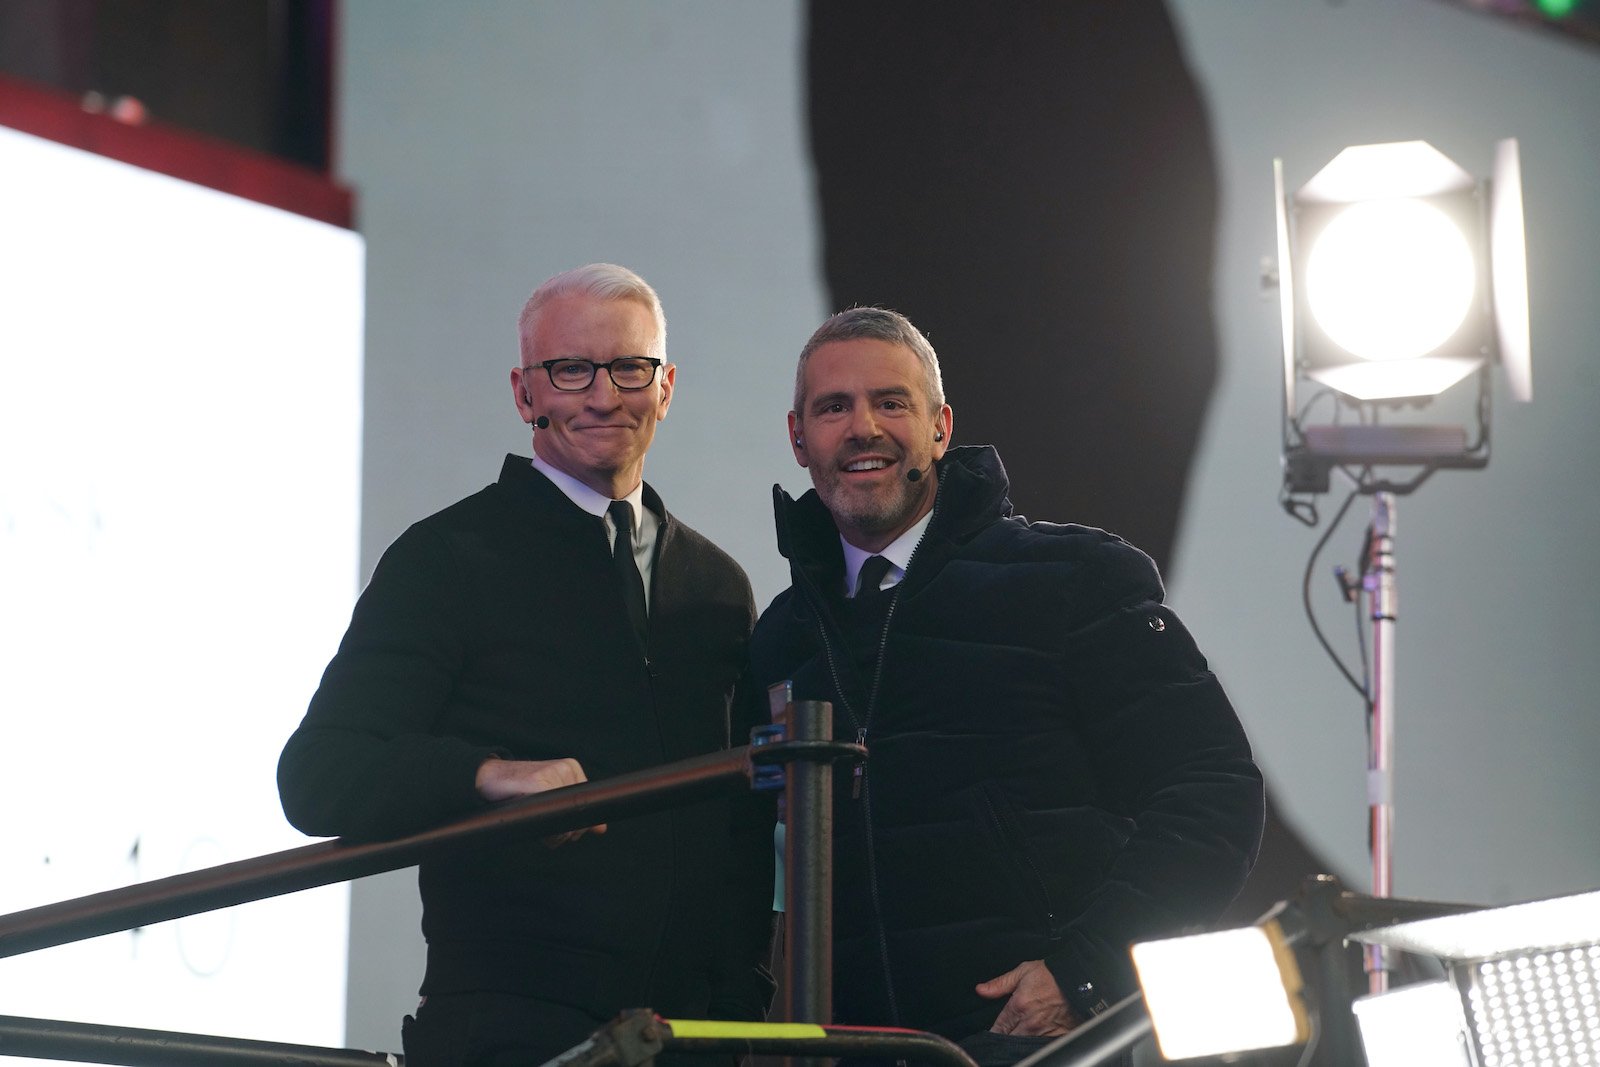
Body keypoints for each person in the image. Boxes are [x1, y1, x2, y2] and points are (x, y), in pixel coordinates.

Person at [277, 264, 774, 1067]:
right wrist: (486, 773)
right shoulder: (447, 559)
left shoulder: (717, 586)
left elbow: (742, 825)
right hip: (508, 1035)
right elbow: (318, 775)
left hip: (693, 1039)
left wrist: (740, 1009)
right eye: (571, 369)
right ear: (524, 393)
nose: (604, 395)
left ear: (667, 385)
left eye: (629, 368)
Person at [748, 307, 1264, 1064]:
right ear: (799, 438)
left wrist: (1086, 973)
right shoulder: (779, 640)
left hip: (1050, 1047)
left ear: (940, 426)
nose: (863, 428)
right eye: (835, 407)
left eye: (892, 402)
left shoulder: (1071, 581)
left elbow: (1212, 792)